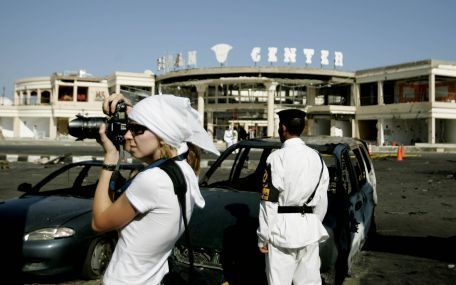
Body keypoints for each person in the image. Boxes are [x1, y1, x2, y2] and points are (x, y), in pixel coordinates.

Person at [92, 94, 219, 285]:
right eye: (129, 127)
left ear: (162, 135)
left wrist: (110, 158)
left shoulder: (152, 181)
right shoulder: (184, 169)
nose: (127, 135)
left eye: (136, 129)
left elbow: (99, 223)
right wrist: (129, 111)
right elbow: (158, 155)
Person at [257, 109, 329, 285]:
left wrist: (263, 237)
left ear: (283, 128)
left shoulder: (276, 158)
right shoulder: (317, 157)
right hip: (309, 230)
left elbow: (269, 202)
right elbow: (322, 199)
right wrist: (311, 222)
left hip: (281, 233)